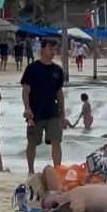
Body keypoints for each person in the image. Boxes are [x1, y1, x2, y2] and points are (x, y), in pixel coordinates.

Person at [21, 38, 68, 173]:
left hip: (53, 111)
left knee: (56, 142)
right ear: (42, 49)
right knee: (32, 142)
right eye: (50, 49)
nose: (53, 52)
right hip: (35, 112)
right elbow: (26, 90)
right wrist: (27, 108)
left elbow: (59, 92)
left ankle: (57, 170)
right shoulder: (32, 68)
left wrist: (63, 114)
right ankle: (31, 170)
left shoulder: (57, 70)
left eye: (55, 49)